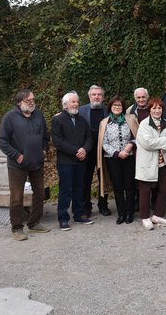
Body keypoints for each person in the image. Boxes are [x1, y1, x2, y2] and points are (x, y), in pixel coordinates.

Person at [0, 89, 50, 241]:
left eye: (33, 99)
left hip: (37, 162)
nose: (32, 102)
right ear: (20, 103)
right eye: (28, 100)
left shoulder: (38, 115)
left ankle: (34, 223)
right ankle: (17, 228)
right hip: (17, 165)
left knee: (40, 193)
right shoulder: (10, 117)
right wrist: (17, 156)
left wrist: (44, 150)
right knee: (16, 197)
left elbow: (46, 135)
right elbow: (2, 141)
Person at [52, 91, 94, 230]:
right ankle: (63, 218)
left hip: (81, 160)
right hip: (66, 161)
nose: (76, 104)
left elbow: (89, 138)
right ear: (65, 105)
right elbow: (58, 141)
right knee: (65, 190)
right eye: (72, 102)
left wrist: (84, 150)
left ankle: (79, 215)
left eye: (77, 102)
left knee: (79, 188)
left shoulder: (82, 120)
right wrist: (76, 151)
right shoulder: (58, 120)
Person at [97, 95, 137, 224]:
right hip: (113, 158)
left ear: (123, 107)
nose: (117, 107)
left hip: (129, 157)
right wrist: (116, 153)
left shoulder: (130, 120)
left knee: (130, 186)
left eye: (119, 105)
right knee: (118, 187)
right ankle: (121, 213)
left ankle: (130, 213)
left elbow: (136, 136)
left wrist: (128, 148)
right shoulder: (105, 123)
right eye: (114, 105)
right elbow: (103, 143)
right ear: (110, 107)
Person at [135, 98, 166, 230]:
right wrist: (164, 140)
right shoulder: (144, 124)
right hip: (147, 162)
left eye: (159, 108)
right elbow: (147, 143)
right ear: (149, 110)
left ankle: (157, 215)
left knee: (165, 187)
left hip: (162, 162)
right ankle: (145, 218)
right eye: (154, 108)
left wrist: (163, 141)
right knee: (145, 190)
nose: (157, 111)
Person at [79, 85, 111, 217]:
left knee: (104, 178)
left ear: (103, 97)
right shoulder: (80, 110)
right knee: (85, 180)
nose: (96, 97)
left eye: (99, 94)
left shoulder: (108, 111)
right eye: (94, 94)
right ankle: (86, 206)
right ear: (89, 96)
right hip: (87, 151)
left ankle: (103, 205)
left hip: (103, 150)